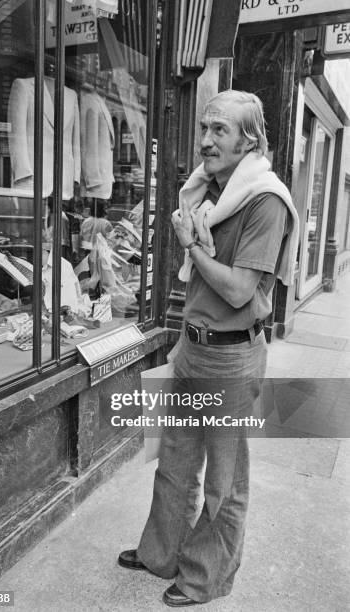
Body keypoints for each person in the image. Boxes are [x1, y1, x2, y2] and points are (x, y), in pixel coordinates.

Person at [118, 90, 298, 606]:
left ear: (251, 139)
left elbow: (240, 291)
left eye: (220, 130)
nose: (205, 141)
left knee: (224, 481)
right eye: (204, 128)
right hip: (195, 347)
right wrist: (179, 343)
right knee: (173, 462)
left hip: (232, 357)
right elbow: (199, 289)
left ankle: (203, 578)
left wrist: (190, 244)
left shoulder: (264, 200)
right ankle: (160, 554)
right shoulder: (207, 195)